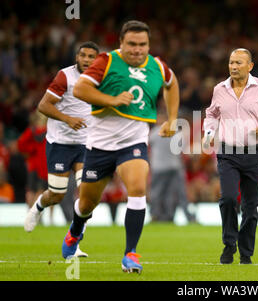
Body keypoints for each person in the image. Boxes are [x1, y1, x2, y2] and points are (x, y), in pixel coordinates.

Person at [60, 20, 179, 274]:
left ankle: (130, 254)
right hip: (99, 146)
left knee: (137, 188)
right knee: (87, 204)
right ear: (121, 44)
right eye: (132, 44)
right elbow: (80, 88)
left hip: (132, 143)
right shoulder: (106, 61)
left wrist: (172, 117)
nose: (137, 50)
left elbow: (172, 83)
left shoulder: (157, 65)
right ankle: (75, 231)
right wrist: (112, 100)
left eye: (143, 44)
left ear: (149, 45)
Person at [203, 48, 258, 264]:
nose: (233, 67)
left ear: (250, 66)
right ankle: (229, 244)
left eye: (238, 63)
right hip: (227, 152)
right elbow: (211, 113)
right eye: (231, 62)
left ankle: (246, 253)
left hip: (255, 153)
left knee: (250, 205)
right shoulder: (219, 89)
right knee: (228, 198)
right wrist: (209, 132)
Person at [23, 42, 99, 251]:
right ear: (77, 57)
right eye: (83, 55)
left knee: (87, 194)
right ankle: (38, 206)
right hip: (60, 144)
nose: (86, 59)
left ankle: (74, 240)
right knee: (57, 194)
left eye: (91, 56)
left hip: (86, 144)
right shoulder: (65, 76)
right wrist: (67, 119)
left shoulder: (101, 79)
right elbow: (43, 105)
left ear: (97, 59)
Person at [149, 115, 194, 223]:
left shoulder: (154, 133)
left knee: (157, 193)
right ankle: (182, 216)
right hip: (175, 167)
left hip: (158, 168)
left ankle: (155, 216)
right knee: (177, 193)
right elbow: (184, 150)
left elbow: (149, 145)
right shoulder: (177, 133)